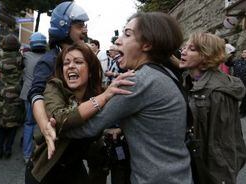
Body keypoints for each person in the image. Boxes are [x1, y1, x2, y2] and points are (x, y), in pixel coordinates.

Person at [45, 12, 193, 184]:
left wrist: (50, 128)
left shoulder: (138, 81)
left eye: (127, 34)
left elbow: (90, 127)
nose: (118, 41)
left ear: (147, 44)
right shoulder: (164, 72)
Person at [25, 2, 94, 183]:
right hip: (51, 162)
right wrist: (45, 127)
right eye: (79, 26)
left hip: (74, 159)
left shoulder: (85, 57)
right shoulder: (49, 61)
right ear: (64, 27)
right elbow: (36, 94)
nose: (84, 31)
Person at [179, 32, 246, 184]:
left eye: (192, 49)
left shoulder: (217, 92)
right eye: (185, 47)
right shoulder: (190, 80)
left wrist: (221, 179)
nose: (183, 51)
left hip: (214, 172)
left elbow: (223, 142)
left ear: (205, 56)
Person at [0, 34, 25, 159]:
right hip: (15, 95)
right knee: (13, 125)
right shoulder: (20, 58)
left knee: (0, 124)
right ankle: (8, 150)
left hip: (1, 95)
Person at [20, 32, 47, 163]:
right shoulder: (49, 57)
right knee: (44, 124)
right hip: (43, 95)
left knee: (29, 124)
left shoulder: (25, 56)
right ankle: (41, 153)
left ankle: (26, 155)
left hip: (28, 95)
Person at [229, 49, 246, 116]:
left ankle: (242, 111)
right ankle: (233, 110)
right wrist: (231, 54)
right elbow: (228, 63)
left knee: (244, 98)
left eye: (245, 52)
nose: (243, 53)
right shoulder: (237, 61)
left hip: (245, 82)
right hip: (236, 82)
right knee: (234, 96)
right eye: (243, 52)